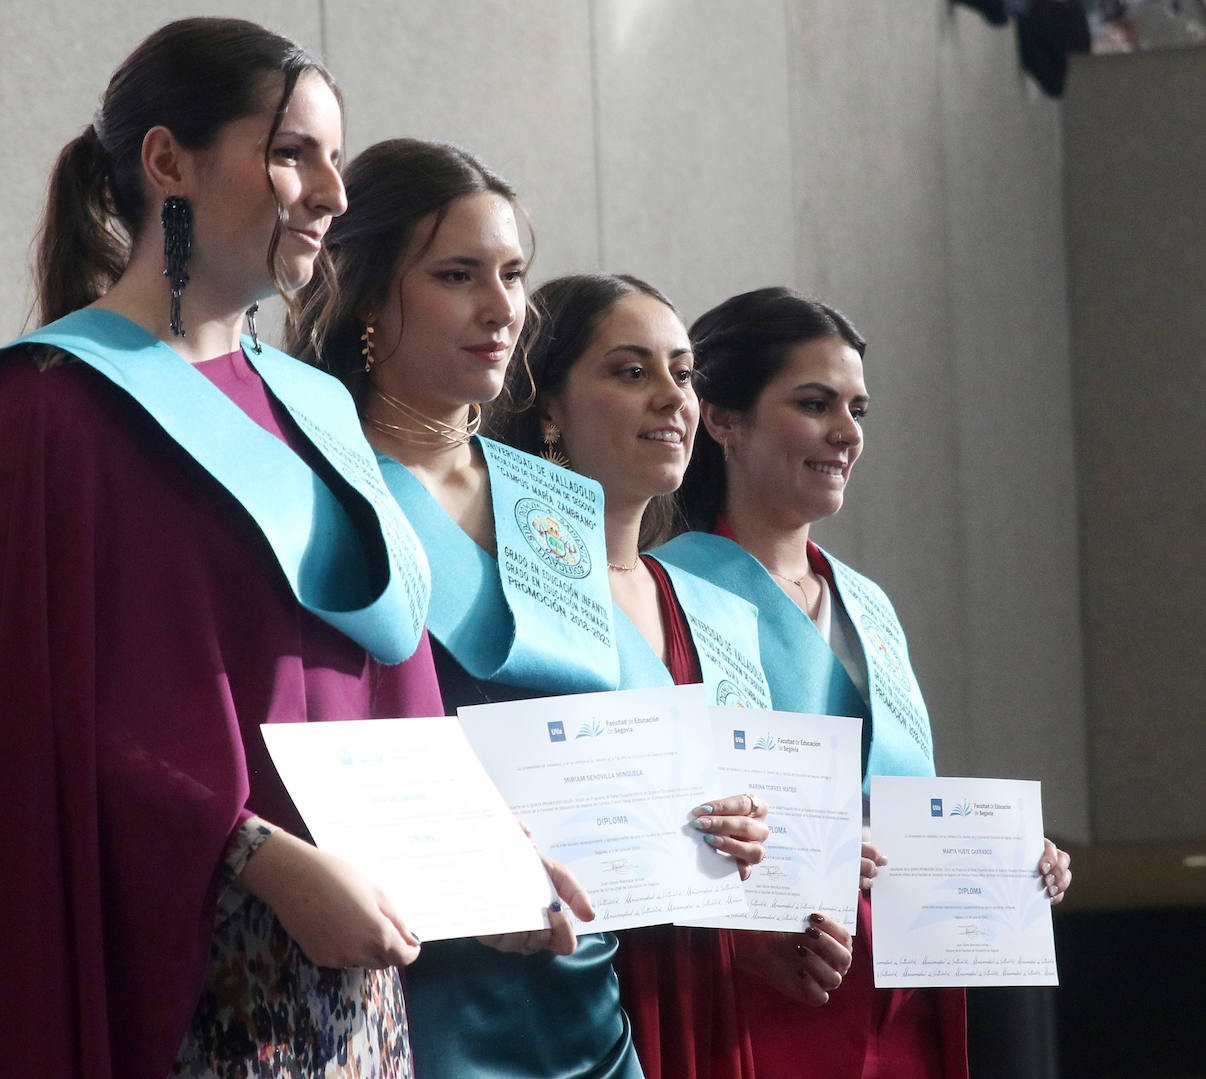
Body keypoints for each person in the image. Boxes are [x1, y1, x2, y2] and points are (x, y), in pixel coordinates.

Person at [0, 19, 443, 1079]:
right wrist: (259, 856)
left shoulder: (320, 413)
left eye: (336, 156)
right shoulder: (49, 407)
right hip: (188, 978)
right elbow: (43, 727)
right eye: (293, 153)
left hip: (358, 985)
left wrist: (499, 868)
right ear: (167, 162)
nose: (333, 190)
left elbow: (393, 684)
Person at [290, 144, 766, 1079]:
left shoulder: (547, 498)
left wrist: (713, 812)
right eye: (458, 275)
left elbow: (621, 735)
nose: (502, 306)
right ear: (368, 296)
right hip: (413, 996)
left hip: (585, 998)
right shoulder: (320, 478)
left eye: (512, 274)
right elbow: (297, 740)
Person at [657, 285, 1074, 1078]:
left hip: (903, 997)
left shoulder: (868, 602)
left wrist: (1007, 859)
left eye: (858, 409)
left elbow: (904, 805)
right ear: (722, 418)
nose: (846, 433)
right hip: (766, 990)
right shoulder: (665, 588)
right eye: (816, 404)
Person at [490, 273, 786, 1079]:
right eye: (631, 371)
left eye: (684, 374)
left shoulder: (712, 605)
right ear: (548, 405)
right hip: (556, 995)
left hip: (700, 986)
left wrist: (755, 834)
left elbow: (742, 811)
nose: (673, 398)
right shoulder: (500, 586)